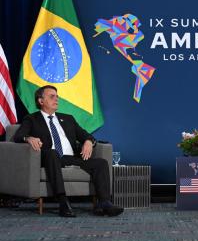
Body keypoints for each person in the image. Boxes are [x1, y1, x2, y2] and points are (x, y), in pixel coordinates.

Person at [14, 85, 124, 217]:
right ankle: (63, 202)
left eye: (57, 96)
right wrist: (28, 138)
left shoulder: (68, 118)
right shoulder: (32, 119)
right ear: (41, 101)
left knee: (100, 163)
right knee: (52, 152)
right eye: (52, 96)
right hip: (49, 158)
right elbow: (18, 136)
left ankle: (104, 203)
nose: (56, 99)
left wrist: (89, 142)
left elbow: (86, 135)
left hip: (70, 158)